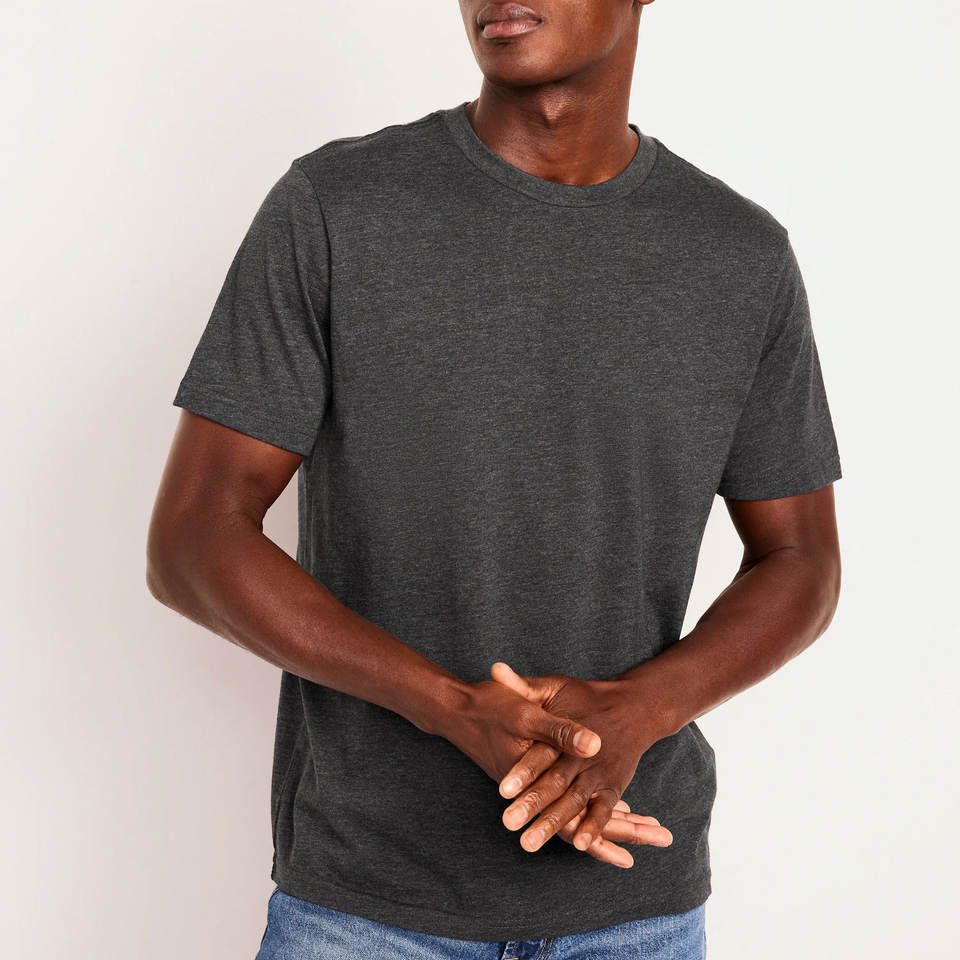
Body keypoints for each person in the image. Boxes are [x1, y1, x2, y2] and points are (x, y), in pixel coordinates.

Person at [146, 1, 843, 957]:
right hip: (366, 908)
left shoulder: (738, 255)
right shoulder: (336, 207)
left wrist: (640, 710)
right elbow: (192, 540)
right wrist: (451, 706)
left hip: (632, 906)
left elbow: (801, 561)